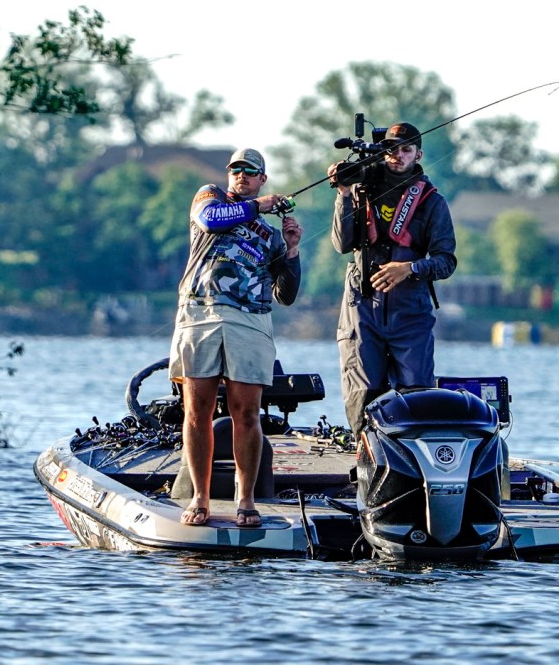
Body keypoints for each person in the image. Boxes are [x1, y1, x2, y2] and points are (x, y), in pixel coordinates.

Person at [168, 147, 303, 528]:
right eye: (236, 170)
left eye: (250, 171)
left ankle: (246, 499)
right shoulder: (209, 198)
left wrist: (292, 250)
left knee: (247, 412)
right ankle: (200, 497)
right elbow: (210, 221)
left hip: (250, 320)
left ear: (262, 178)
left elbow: (286, 295)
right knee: (197, 410)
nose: (241, 175)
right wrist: (259, 205)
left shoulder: (270, 235)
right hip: (201, 313)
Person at [327, 122, 457, 435]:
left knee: (416, 399)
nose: (398, 155)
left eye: (406, 150)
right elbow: (342, 245)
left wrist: (409, 268)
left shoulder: (432, 202)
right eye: (391, 149)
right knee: (362, 395)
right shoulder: (361, 189)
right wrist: (344, 193)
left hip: (410, 313)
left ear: (418, 155)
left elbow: (446, 262)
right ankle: (364, 452)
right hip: (361, 309)